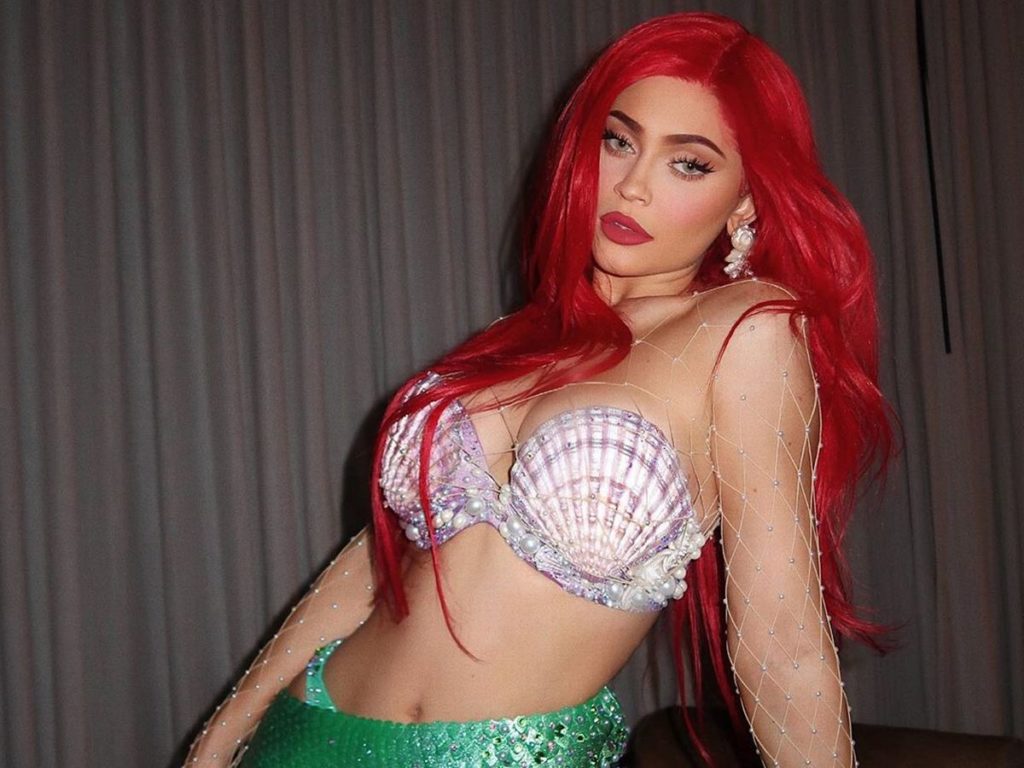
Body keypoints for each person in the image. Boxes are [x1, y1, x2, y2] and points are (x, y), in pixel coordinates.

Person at [185, 11, 890, 767]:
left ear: (746, 199)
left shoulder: (746, 330)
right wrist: (219, 738)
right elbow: (379, 560)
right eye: (618, 140)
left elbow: (779, 635)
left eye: (688, 163)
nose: (632, 185)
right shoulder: (520, 341)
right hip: (306, 734)